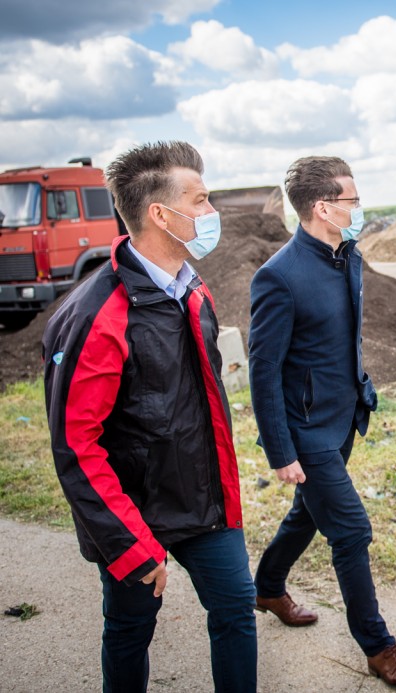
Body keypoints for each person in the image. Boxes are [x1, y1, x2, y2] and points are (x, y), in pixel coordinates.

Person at [42, 141, 257, 693]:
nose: (212, 213)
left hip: (202, 503)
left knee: (237, 609)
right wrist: (127, 542)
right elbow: (76, 446)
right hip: (130, 511)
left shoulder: (195, 290)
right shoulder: (96, 315)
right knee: (129, 629)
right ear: (161, 214)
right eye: (201, 200)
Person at [248, 156, 396, 687]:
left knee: (307, 515)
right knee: (351, 530)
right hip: (305, 433)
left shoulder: (347, 257)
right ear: (324, 208)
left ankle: (267, 588)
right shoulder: (278, 277)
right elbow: (263, 372)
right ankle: (379, 647)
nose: (359, 207)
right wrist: (281, 452)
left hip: (343, 418)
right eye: (353, 199)